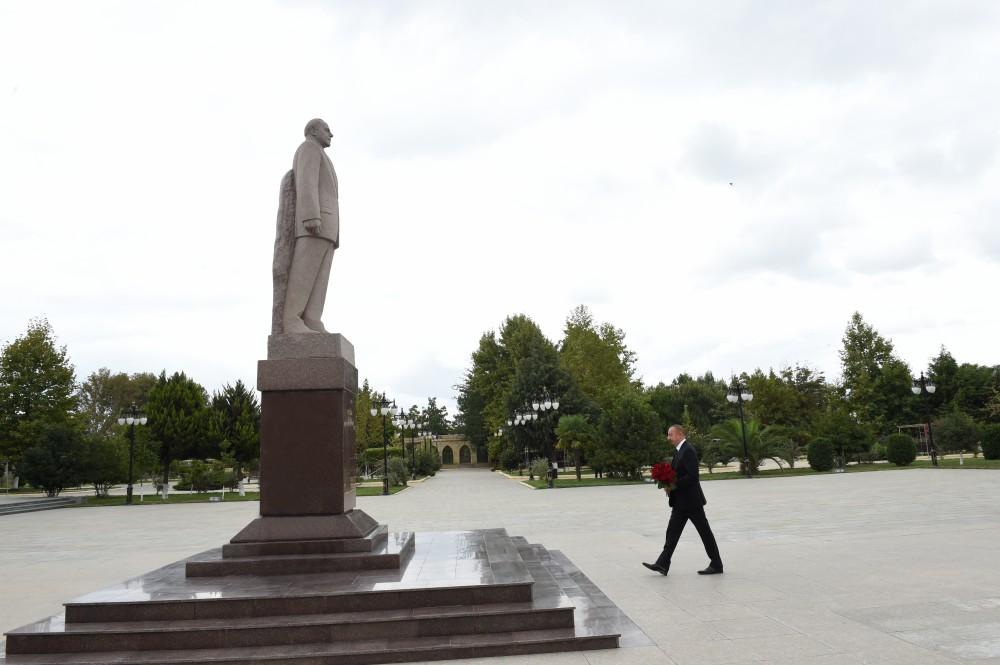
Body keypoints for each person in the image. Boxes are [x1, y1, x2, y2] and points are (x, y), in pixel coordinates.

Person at [281, 118, 339, 334]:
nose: (331, 134)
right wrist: (310, 216)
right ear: (313, 131)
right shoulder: (308, 149)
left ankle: (312, 319)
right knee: (303, 273)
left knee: (320, 278)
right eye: (327, 130)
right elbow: (306, 181)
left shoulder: (322, 154)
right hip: (315, 223)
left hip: (328, 227)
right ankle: (292, 319)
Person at [643, 424, 723, 576]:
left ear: (679, 434)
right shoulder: (680, 451)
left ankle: (716, 564)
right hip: (680, 503)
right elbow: (677, 474)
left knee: (705, 533)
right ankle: (662, 563)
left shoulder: (688, 450)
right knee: (672, 533)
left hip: (692, 502)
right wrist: (667, 483)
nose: (668, 438)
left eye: (670, 434)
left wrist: (673, 485)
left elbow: (693, 477)